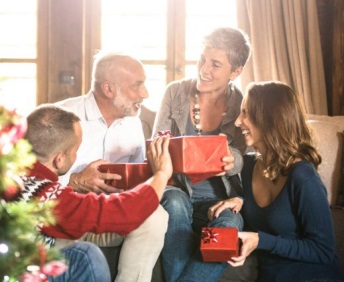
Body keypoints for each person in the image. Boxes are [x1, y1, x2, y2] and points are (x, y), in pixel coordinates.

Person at [21, 104, 172, 282]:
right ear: (59, 159)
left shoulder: (5, 175)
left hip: (51, 235)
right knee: (86, 255)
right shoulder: (46, 197)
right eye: (75, 151)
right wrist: (161, 174)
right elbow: (125, 213)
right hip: (26, 272)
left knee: (154, 216)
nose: (77, 157)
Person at [213, 81, 344, 281]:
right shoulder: (248, 166)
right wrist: (240, 200)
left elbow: (323, 250)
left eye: (245, 113)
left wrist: (261, 240)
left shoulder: (303, 177)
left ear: (269, 119)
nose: (238, 122)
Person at [152, 27, 252, 281]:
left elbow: (244, 156)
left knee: (229, 224)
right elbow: (155, 148)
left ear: (236, 71)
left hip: (221, 198)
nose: (203, 70)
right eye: (202, 60)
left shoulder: (243, 104)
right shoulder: (175, 93)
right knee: (174, 203)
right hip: (177, 190)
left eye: (215, 64)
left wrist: (231, 160)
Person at [56, 51, 148, 194]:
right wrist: (75, 181)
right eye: (136, 86)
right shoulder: (60, 117)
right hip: (71, 206)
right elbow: (33, 179)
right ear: (108, 89)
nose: (145, 94)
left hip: (121, 206)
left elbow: (139, 177)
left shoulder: (133, 121)